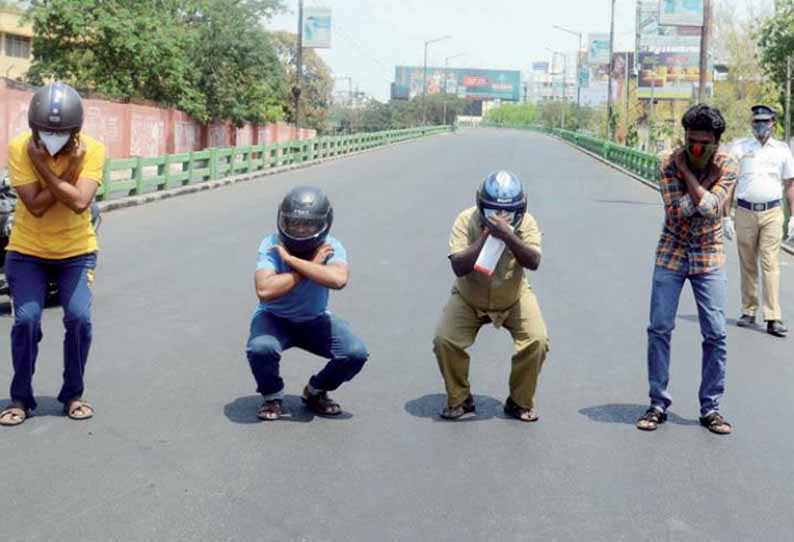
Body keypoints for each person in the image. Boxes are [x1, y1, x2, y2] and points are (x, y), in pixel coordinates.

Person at [0, 82, 105, 427]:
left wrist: (48, 169)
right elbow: (35, 205)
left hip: (76, 252)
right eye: (46, 131)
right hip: (27, 251)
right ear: (33, 128)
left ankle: (73, 394)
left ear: (76, 131)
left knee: (79, 320)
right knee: (26, 321)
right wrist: (62, 173)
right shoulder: (19, 148)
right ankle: (20, 398)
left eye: (61, 132)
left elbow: (78, 203)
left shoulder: (94, 150)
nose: (52, 138)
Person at [636, 104, 737, 435]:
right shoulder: (667, 162)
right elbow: (677, 212)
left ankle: (711, 408)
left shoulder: (728, 163)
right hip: (672, 252)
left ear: (716, 143)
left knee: (716, 333)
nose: (695, 149)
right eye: (690, 141)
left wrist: (690, 176)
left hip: (709, 255)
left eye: (703, 143)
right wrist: (704, 184)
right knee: (659, 328)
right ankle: (657, 403)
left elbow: (711, 212)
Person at [432, 170, 549, 422]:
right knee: (444, 340)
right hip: (469, 295)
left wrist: (509, 236)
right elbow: (458, 266)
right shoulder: (466, 220)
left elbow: (534, 261)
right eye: (492, 211)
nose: (501, 217)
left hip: (513, 295)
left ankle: (519, 401)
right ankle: (460, 399)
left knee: (537, 340)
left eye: (508, 212)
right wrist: (486, 236)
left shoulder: (526, 223)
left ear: (521, 207)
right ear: (480, 205)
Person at [246, 185, 368, 420]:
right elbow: (264, 289)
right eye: (293, 223)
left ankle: (316, 391)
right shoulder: (271, 244)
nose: (299, 229)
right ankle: (272, 396)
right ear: (283, 221)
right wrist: (310, 265)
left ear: (322, 224)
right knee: (261, 349)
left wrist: (291, 261)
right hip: (274, 318)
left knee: (355, 353)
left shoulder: (331, 246)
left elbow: (338, 279)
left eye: (308, 224)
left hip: (315, 319)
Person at [724, 105, 794, 337]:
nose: (760, 126)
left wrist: (793, 216)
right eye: (756, 122)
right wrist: (726, 215)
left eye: (764, 121)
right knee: (748, 263)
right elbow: (730, 182)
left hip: (773, 212)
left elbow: (790, 186)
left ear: (773, 122)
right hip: (744, 212)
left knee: (770, 263)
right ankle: (748, 309)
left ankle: (773, 317)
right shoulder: (740, 148)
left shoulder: (782, 150)